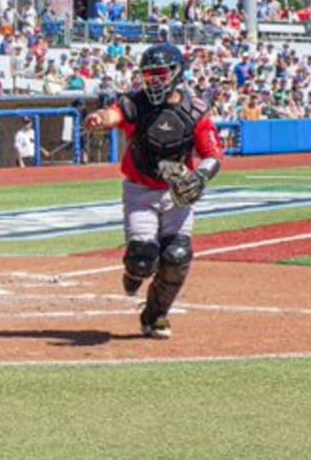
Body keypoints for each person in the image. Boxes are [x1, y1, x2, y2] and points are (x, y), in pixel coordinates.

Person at [82, 43, 225, 339]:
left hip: (176, 194)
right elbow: (114, 114)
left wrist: (200, 176)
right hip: (141, 191)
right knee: (143, 258)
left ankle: (155, 316)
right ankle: (133, 272)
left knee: (176, 256)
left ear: (176, 73)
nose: (154, 82)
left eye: (160, 74)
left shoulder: (194, 109)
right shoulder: (135, 103)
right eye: (149, 76)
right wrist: (98, 119)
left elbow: (213, 153)